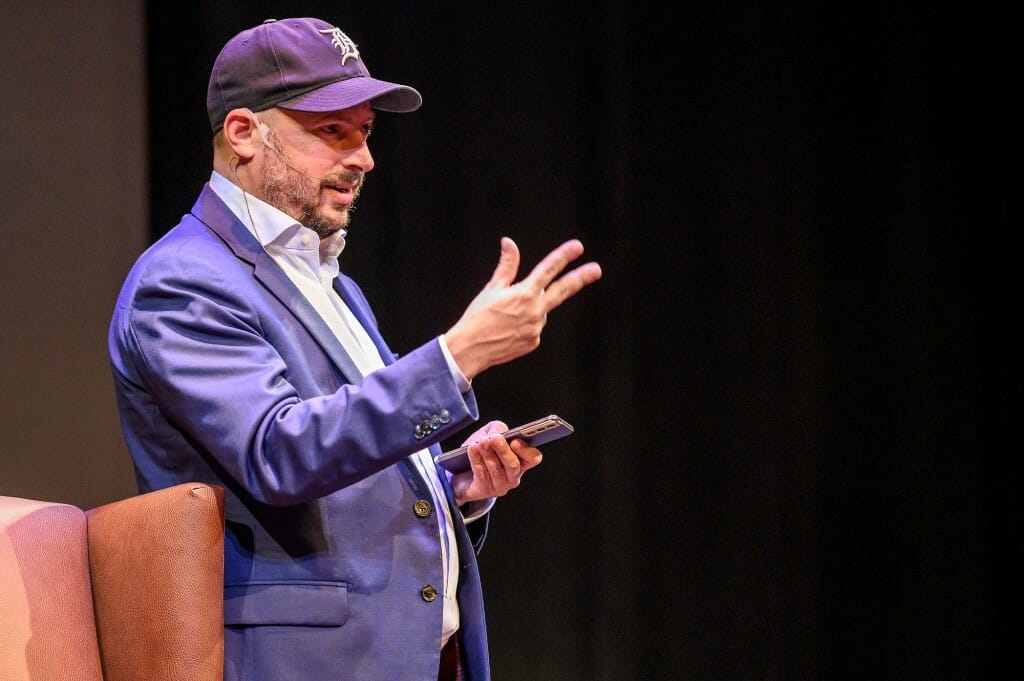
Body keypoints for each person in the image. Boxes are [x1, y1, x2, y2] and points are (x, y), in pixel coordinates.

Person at [107, 16, 602, 681]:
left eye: (364, 133)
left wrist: (453, 484)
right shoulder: (183, 281)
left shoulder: (332, 282)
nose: (363, 157)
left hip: (416, 653)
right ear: (244, 132)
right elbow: (279, 453)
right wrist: (456, 355)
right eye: (331, 130)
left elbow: (347, 464)